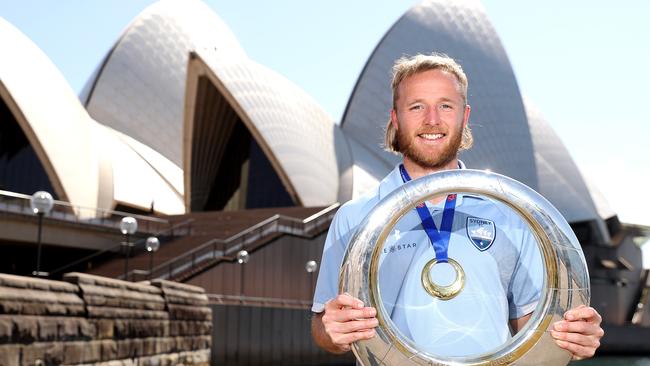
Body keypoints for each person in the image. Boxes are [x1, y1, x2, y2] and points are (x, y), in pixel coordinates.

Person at [311, 53, 604, 360]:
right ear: (396, 118)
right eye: (417, 106)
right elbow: (323, 327)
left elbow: (530, 326)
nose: (432, 120)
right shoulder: (356, 217)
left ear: (464, 116)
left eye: (445, 106)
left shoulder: (512, 214)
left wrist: (571, 337)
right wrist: (331, 331)